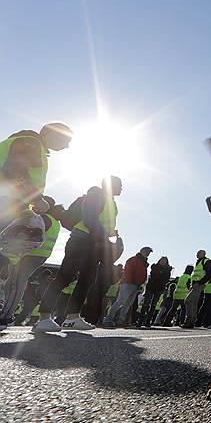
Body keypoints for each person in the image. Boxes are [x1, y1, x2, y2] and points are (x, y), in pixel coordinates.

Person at [33, 176, 122, 332]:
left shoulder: (111, 203)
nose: (121, 188)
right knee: (65, 277)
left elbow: (99, 221)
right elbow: (89, 218)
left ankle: (73, 318)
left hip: (94, 243)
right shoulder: (96, 194)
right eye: (119, 185)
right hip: (81, 240)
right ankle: (44, 318)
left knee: (86, 280)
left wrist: (109, 234)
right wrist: (105, 239)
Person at [0, 196, 62, 328]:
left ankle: (5, 315)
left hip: (28, 255)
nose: (34, 207)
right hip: (40, 257)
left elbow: (30, 235)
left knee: (15, 283)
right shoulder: (55, 222)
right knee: (14, 282)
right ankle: (6, 313)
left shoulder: (42, 218)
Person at [0, 123, 72, 228]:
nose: (67, 146)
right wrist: (37, 199)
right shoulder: (31, 143)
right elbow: (15, 171)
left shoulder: (29, 143)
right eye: (66, 140)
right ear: (53, 134)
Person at [103, 247, 151, 327]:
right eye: (147, 251)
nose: (148, 253)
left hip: (136, 285)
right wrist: (130, 281)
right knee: (121, 301)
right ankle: (108, 319)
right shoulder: (134, 259)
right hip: (128, 283)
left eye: (149, 252)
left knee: (128, 304)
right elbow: (128, 271)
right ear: (142, 251)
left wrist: (140, 284)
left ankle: (120, 320)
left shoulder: (143, 262)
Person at [138, 256, 172, 327]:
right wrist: (160, 275)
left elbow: (166, 278)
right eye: (162, 260)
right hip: (151, 287)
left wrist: (161, 276)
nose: (163, 262)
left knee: (153, 305)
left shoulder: (168, 270)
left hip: (159, 289)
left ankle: (148, 322)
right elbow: (154, 275)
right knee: (145, 304)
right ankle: (140, 321)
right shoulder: (154, 266)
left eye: (164, 261)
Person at [182, 250, 211, 329]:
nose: (197, 254)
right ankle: (191, 322)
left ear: (204, 254)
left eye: (199, 253)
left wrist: (199, 283)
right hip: (195, 285)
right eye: (197, 253)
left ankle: (189, 320)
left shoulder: (206, 261)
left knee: (188, 300)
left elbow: (208, 274)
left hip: (199, 284)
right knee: (193, 303)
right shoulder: (199, 262)